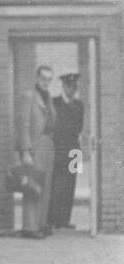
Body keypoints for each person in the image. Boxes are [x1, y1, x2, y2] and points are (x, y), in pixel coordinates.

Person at [17, 64, 56, 238]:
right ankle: (29, 227)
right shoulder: (28, 96)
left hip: (47, 146)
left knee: (44, 187)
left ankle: (40, 224)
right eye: (43, 78)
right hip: (33, 148)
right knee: (32, 187)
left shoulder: (48, 98)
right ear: (37, 78)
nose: (46, 82)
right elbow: (23, 125)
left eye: (49, 79)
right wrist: (25, 151)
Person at [50, 73, 85, 230]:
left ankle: (65, 220)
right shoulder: (54, 103)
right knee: (57, 185)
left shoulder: (79, 105)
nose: (73, 90)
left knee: (71, 185)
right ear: (63, 87)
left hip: (75, 151)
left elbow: (78, 127)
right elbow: (56, 127)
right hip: (59, 149)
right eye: (70, 86)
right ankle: (55, 220)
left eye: (75, 87)